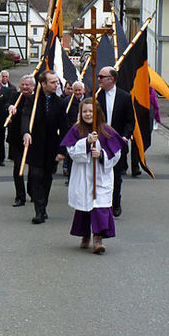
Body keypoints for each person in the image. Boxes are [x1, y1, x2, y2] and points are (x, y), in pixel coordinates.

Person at [61, 98, 124, 254]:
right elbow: (72, 153)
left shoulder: (107, 131)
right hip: (83, 175)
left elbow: (117, 154)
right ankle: (85, 235)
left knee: (100, 207)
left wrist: (102, 154)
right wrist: (86, 144)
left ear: (97, 113)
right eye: (85, 111)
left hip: (101, 176)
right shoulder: (76, 130)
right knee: (84, 207)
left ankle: (98, 238)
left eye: (91, 111)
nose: (88, 114)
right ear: (80, 113)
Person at [22, 69, 68, 224]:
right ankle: (39, 211)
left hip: (51, 147)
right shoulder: (33, 101)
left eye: (57, 82)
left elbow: (64, 128)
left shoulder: (60, 103)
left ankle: (43, 206)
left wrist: (62, 151)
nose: (56, 85)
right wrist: (26, 132)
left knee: (47, 178)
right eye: (53, 82)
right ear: (43, 84)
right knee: (35, 176)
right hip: (35, 146)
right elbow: (25, 117)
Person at [96, 66, 136, 217]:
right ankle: (101, 203)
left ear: (111, 79)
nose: (98, 79)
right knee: (100, 173)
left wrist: (125, 136)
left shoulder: (125, 97)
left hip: (118, 143)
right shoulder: (96, 96)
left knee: (116, 175)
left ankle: (115, 203)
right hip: (100, 142)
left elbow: (130, 121)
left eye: (102, 76)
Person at [6, 74, 35, 206]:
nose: (24, 87)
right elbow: (6, 105)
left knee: (33, 168)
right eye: (22, 84)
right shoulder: (15, 96)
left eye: (27, 85)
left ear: (33, 86)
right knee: (18, 166)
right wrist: (9, 109)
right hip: (16, 138)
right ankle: (20, 196)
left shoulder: (36, 99)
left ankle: (32, 191)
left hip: (33, 139)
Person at [63, 81, 89, 183]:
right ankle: (71, 178)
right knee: (71, 156)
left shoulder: (88, 101)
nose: (78, 92)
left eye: (79, 90)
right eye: (76, 90)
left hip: (85, 133)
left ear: (84, 90)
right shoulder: (67, 101)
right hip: (72, 132)